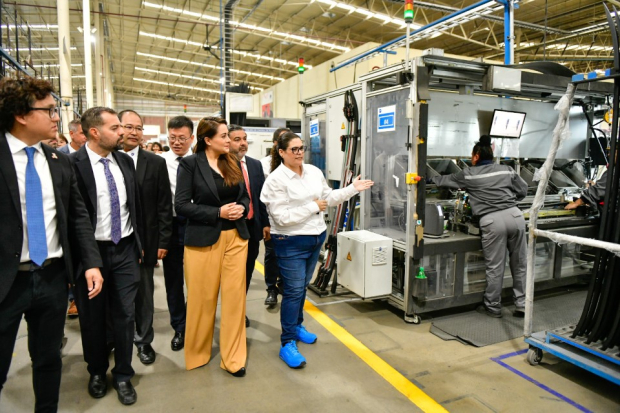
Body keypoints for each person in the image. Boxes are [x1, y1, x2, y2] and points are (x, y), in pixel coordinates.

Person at [0, 76, 103, 412]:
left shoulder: (58, 161)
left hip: (53, 277)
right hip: (7, 281)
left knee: (47, 360)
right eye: (49, 110)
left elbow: (77, 218)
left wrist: (90, 262)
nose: (56, 117)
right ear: (21, 114)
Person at [260, 132, 373, 368]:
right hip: (289, 241)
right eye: (294, 149)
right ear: (281, 152)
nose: (300, 153)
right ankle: (287, 342)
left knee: (301, 287)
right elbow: (281, 218)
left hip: (315, 237)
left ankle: (297, 325)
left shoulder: (312, 171)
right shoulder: (275, 180)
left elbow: (329, 198)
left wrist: (352, 188)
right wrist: (313, 207)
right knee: (292, 290)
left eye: (301, 148)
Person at [69, 107, 143, 405]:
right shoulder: (71, 164)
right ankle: (97, 370)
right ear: (95, 132)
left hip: (124, 248)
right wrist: (88, 260)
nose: (122, 132)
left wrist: (139, 245)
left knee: (126, 315)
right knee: (92, 317)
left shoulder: (124, 161)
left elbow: (133, 208)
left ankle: (123, 374)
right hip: (91, 254)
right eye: (115, 128)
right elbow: (73, 217)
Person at [175, 118, 250, 376]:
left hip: (237, 239)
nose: (230, 141)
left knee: (234, 300)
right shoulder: (189, 164)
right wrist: (217, 212)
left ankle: (233, 358)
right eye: (224, 136)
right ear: (207, 140)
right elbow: (182, 205)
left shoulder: (233, 162)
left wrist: (242, 207)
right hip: (203, 240)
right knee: (201, 300)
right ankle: (197, 353)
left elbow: (244, 196)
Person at [431, 135, 528, 318]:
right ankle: (522, 305)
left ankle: (493, 307)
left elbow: (443, 180)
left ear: (476, 156)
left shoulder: (468, 174)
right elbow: (523, 190)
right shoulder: (506, 170)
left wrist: (424, 176)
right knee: (520, 264)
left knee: (495, 266)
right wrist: (509, 203)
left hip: (492, 221)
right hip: (516, 216)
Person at [119, 110, 172, 365]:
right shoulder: (107, 159)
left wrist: (162, 242)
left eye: (138, 128)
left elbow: (164, 206)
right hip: (113, 242)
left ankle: (143, 341)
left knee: (144, 295)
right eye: (128, 127)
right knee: (114, 297)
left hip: (144, 242)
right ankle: (113, 340)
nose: (134, 132)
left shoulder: (155, 162)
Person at [228, 125, 270, 327]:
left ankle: (238, 310)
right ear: (227, 142)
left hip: (252, 227)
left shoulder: (254, 165)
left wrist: (265, 223)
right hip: (229, 229)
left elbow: (260, 197)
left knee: (246, 270)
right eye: (237, 139)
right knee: (229, 275)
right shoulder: (220, 164)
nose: (243, 143)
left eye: (244, 138)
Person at [161, 116, 194, 351]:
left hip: (197, 226)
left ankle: (196, 323)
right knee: (173, 282)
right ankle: (180, 327)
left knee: (198, 281)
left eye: (182, 138)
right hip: (170, 227)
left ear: (191, 138)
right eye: (172, 138)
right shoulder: (159, 162)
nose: (177, 142)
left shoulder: (202, 161)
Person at [260, 127, 289, 306]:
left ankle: (284, 285)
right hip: (271, 219)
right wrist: (265, 222)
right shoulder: (263, 165)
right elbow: (261, 197)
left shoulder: (297, 164)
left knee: (288, 254)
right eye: (283, 139)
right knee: (272, 254)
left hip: (292, 219)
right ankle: (271, 289)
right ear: (275, 144)